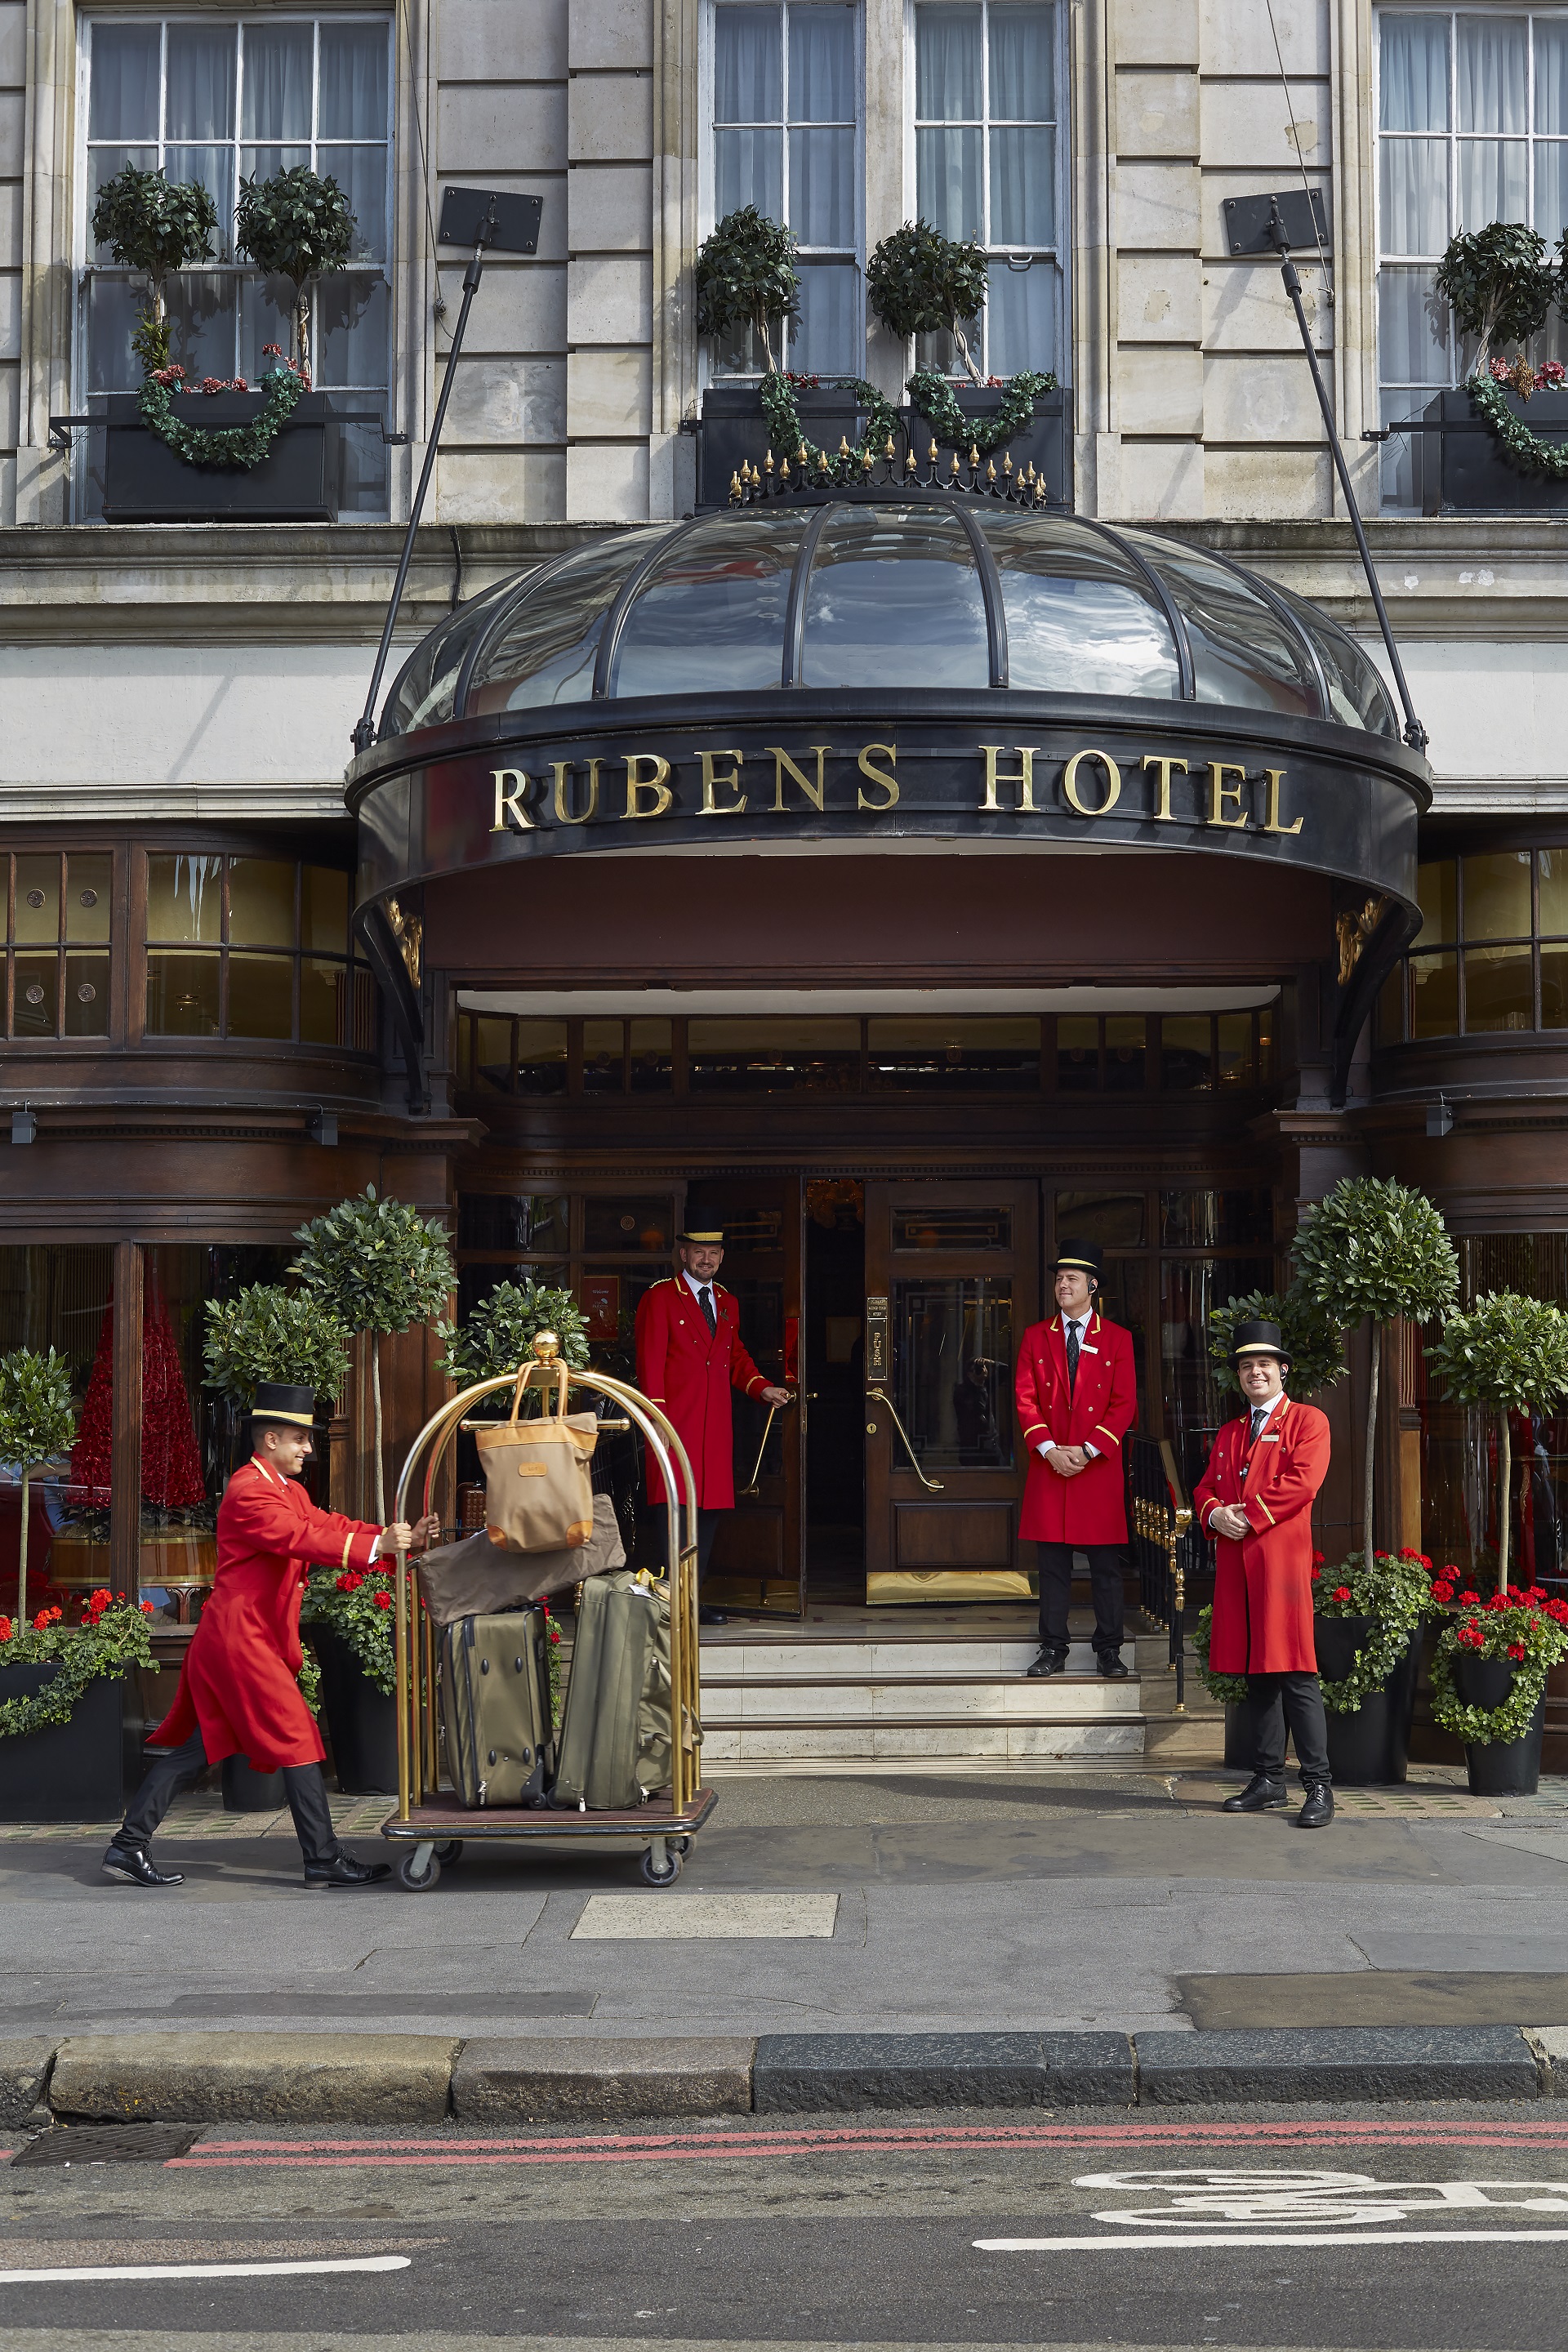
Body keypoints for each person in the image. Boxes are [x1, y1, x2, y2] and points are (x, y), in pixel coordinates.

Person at [103, 1383, 440, 1889]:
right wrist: (380, 1547)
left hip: (242, 1638)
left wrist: (395, 1538)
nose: (308, 1448)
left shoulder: (285, 1488)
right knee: (298, 1735)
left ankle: (127, 1846)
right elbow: (302, 1538)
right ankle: (322, 1857)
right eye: (301, 1439)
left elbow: (329, 1524)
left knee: (201, 1747)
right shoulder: (248, 1490)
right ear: (270, 1442)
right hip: (242, 1642)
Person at [1193, 1319, 1334, 1829]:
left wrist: (1245, 1516)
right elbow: (1206, 1485)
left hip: (1281, 1565)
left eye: (1264, 1365)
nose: (1255, 1372)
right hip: (1239, 1567)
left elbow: (1302, 1483)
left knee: (1296, 1672)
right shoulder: (1231, 1432)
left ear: (1282, 1371)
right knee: (1258, 1676)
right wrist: (1213, 1513)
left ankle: (1318, 1786)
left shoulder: (1308, 1420)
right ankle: (1269, 1779)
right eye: (1247, 1366)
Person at [635, 1227, 791, 1625]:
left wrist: (762, 1388)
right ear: (683, 1254)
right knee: (675, 1514)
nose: (707, 1260)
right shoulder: (660, 1298)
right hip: (675, 1425)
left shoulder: (727, 1302)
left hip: (715, 1430)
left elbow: (734, 1356)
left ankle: (691, 1601)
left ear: (722, 1256)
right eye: (699, 1252)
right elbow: (650, 1362)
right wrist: (658, 1420)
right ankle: (666, 1602)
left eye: (714, 1253)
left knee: (707, 1518)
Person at [1014, 1239, 1138, 1679]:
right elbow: (1026, 1400)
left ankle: (1109, 1649)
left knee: (1105, 1568)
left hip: (1096, 1467)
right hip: (1051, 1468)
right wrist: (1050, 1450)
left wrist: (1086, 1451)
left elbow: (1124, 1405)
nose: (1062, 1285)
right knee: (1052, 1568)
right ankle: (1053, 1648)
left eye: (1071, 1279)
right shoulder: (1035, 1336)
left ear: (1093, 1285)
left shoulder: (1118, 1339)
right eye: (1058, 1279)